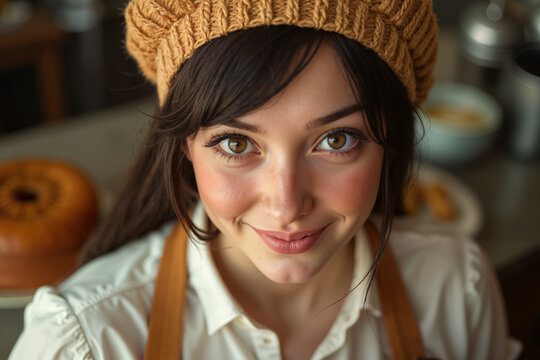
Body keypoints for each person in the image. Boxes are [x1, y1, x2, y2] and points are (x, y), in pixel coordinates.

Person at [10, 0, 521, 359]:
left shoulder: (456, 288)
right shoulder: (85, 341)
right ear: (185, 146)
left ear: (389, 144)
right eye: (237, 144)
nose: (286, 204)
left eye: (337, 140)